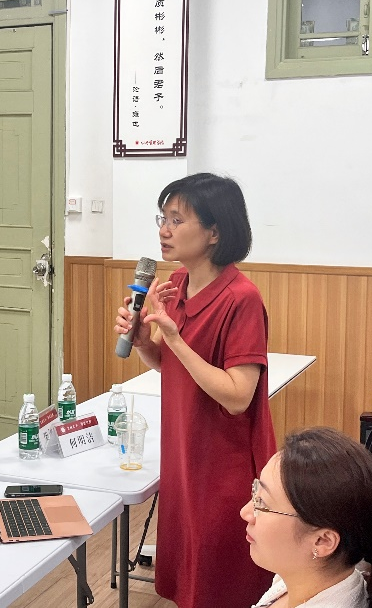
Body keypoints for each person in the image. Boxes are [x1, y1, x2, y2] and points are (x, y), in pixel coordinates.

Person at [114, 172, 277, 607]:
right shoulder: (179, 285)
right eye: (162, 218)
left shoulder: (241, 298)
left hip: (222, 463)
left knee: (221, 581)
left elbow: (238, 395)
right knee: (188, 577)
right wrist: (147, 343)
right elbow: (174, 367)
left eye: (177, 219)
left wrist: (176, 340)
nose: (164, 230)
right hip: (184, 451)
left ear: (214, 232)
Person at [242, 427, 372, 608]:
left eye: (262, 503)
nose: (245, 512)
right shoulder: (305, 577)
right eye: (255, 492)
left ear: (322, 541)